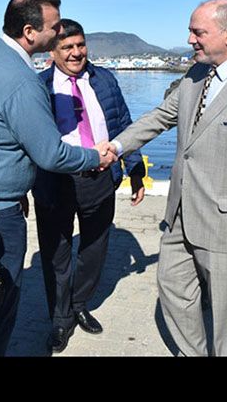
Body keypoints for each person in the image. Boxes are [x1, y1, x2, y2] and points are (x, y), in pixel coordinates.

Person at [108, 0, 227, 356]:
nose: (189, 39)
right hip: (180, 216)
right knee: (172, 288)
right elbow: (158, 118)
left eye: (198, 32)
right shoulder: (194, 77)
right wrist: (115, 147)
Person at [0, 0, 116, 355]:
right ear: (30, 32)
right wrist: (94, 158)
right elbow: (50, 154)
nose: (59, 33)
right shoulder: (22, 81)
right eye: (53, 28)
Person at [31, 19, 146, 353]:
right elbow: (26, 138)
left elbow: (124, 126)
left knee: (94, 248)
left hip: (99, 179)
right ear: (51, 51)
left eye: (80, 45)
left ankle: (79, 303)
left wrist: (134, 167)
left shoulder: (105, 80)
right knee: (56, 253)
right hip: (55, 181)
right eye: (67, 47)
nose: (76, 53)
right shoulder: (39, 87)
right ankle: (59, 318)